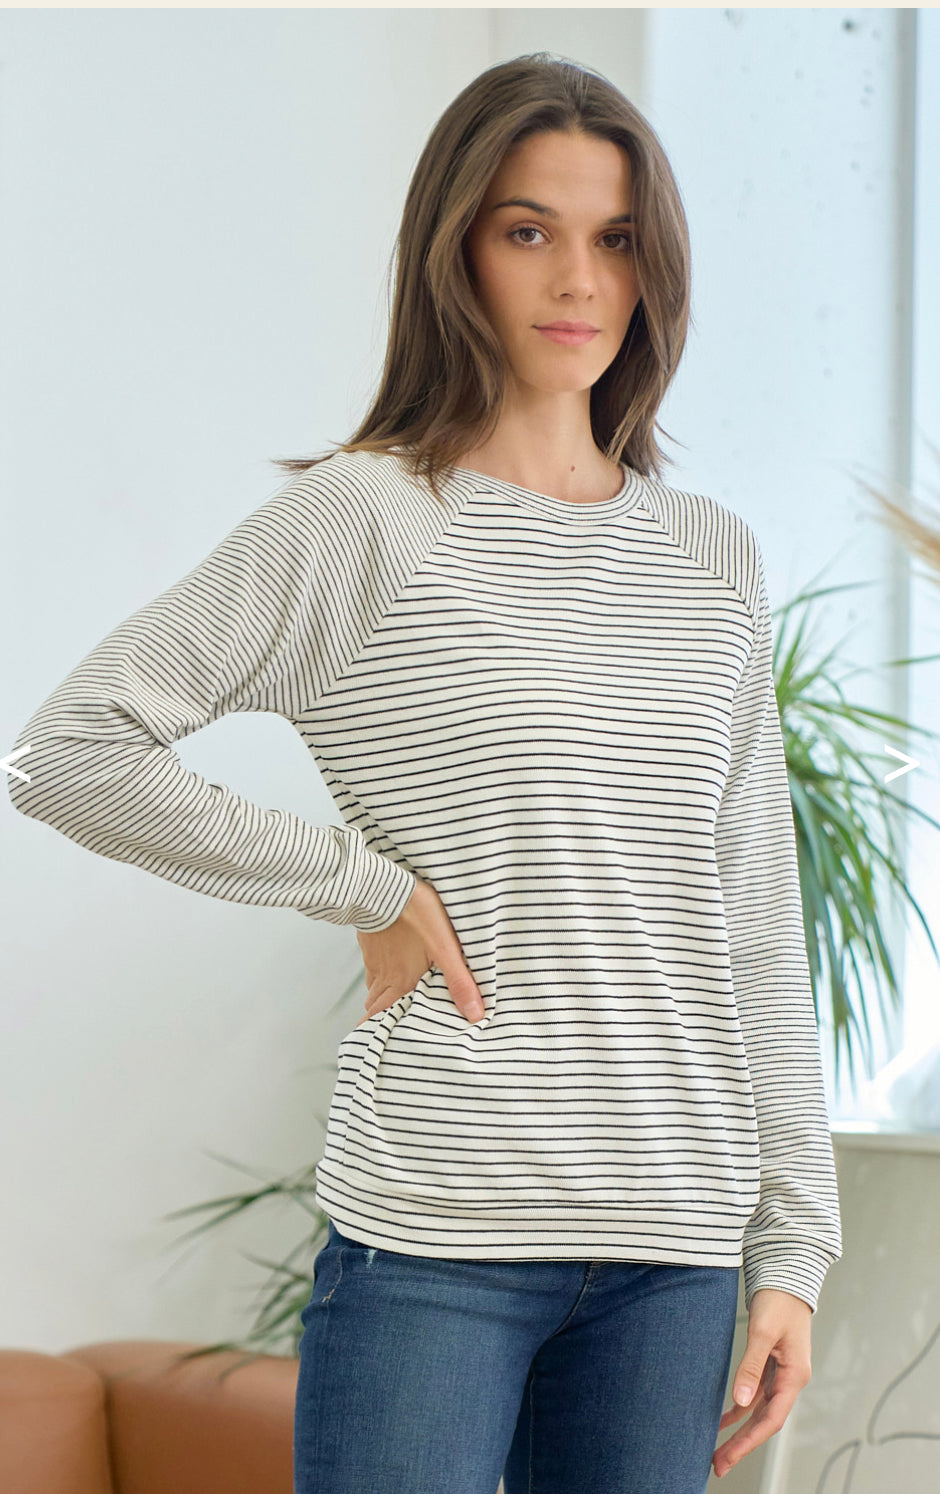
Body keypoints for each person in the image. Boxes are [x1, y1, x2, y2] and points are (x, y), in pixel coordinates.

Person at [7, 51, 842, 1494]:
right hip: (437, 1242)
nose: (577, 278)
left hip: (676, 1254)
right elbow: (66, 752)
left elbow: (752, 909)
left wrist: (796, 1249)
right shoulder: (365, 521)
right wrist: (363, 883)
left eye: (616, 237)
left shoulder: (712, 557)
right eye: (528, 230)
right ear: (456, 251)